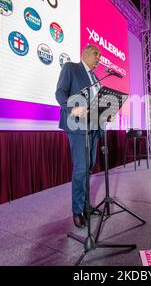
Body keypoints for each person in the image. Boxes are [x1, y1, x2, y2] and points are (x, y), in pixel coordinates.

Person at [55, 44, 103, 228]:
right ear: (84, 54)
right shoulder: (71, 68)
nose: (98, 58)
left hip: (94, 127)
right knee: (81, 169)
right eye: (95, 54)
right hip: (77, 126)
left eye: (100, 56)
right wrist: (71, 107)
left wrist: (106, 112)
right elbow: (60, 92)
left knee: (89, 168)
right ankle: (77, 210)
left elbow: (97, 103)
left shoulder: (97, 78)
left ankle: (86, 206)